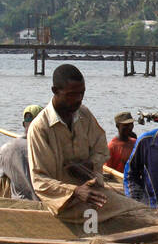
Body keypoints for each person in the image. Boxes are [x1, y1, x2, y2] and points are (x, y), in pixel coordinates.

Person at [28, 65, 114, 221]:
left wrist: (88, 165)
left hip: (94, 196)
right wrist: (75, 191)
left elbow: (102, 150)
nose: (78, 99)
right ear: (55, 91)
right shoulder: (40, 128)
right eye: (72, 95)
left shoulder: (84, 114)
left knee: (138, 211)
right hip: (61, 206)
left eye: (82, 93)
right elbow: (39, 180)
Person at [0, 104, 44, 199]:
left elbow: (0, 171)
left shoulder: (6, 148)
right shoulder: (48, 148)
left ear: (23, 124)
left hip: (19, 201)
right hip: (43, 202)